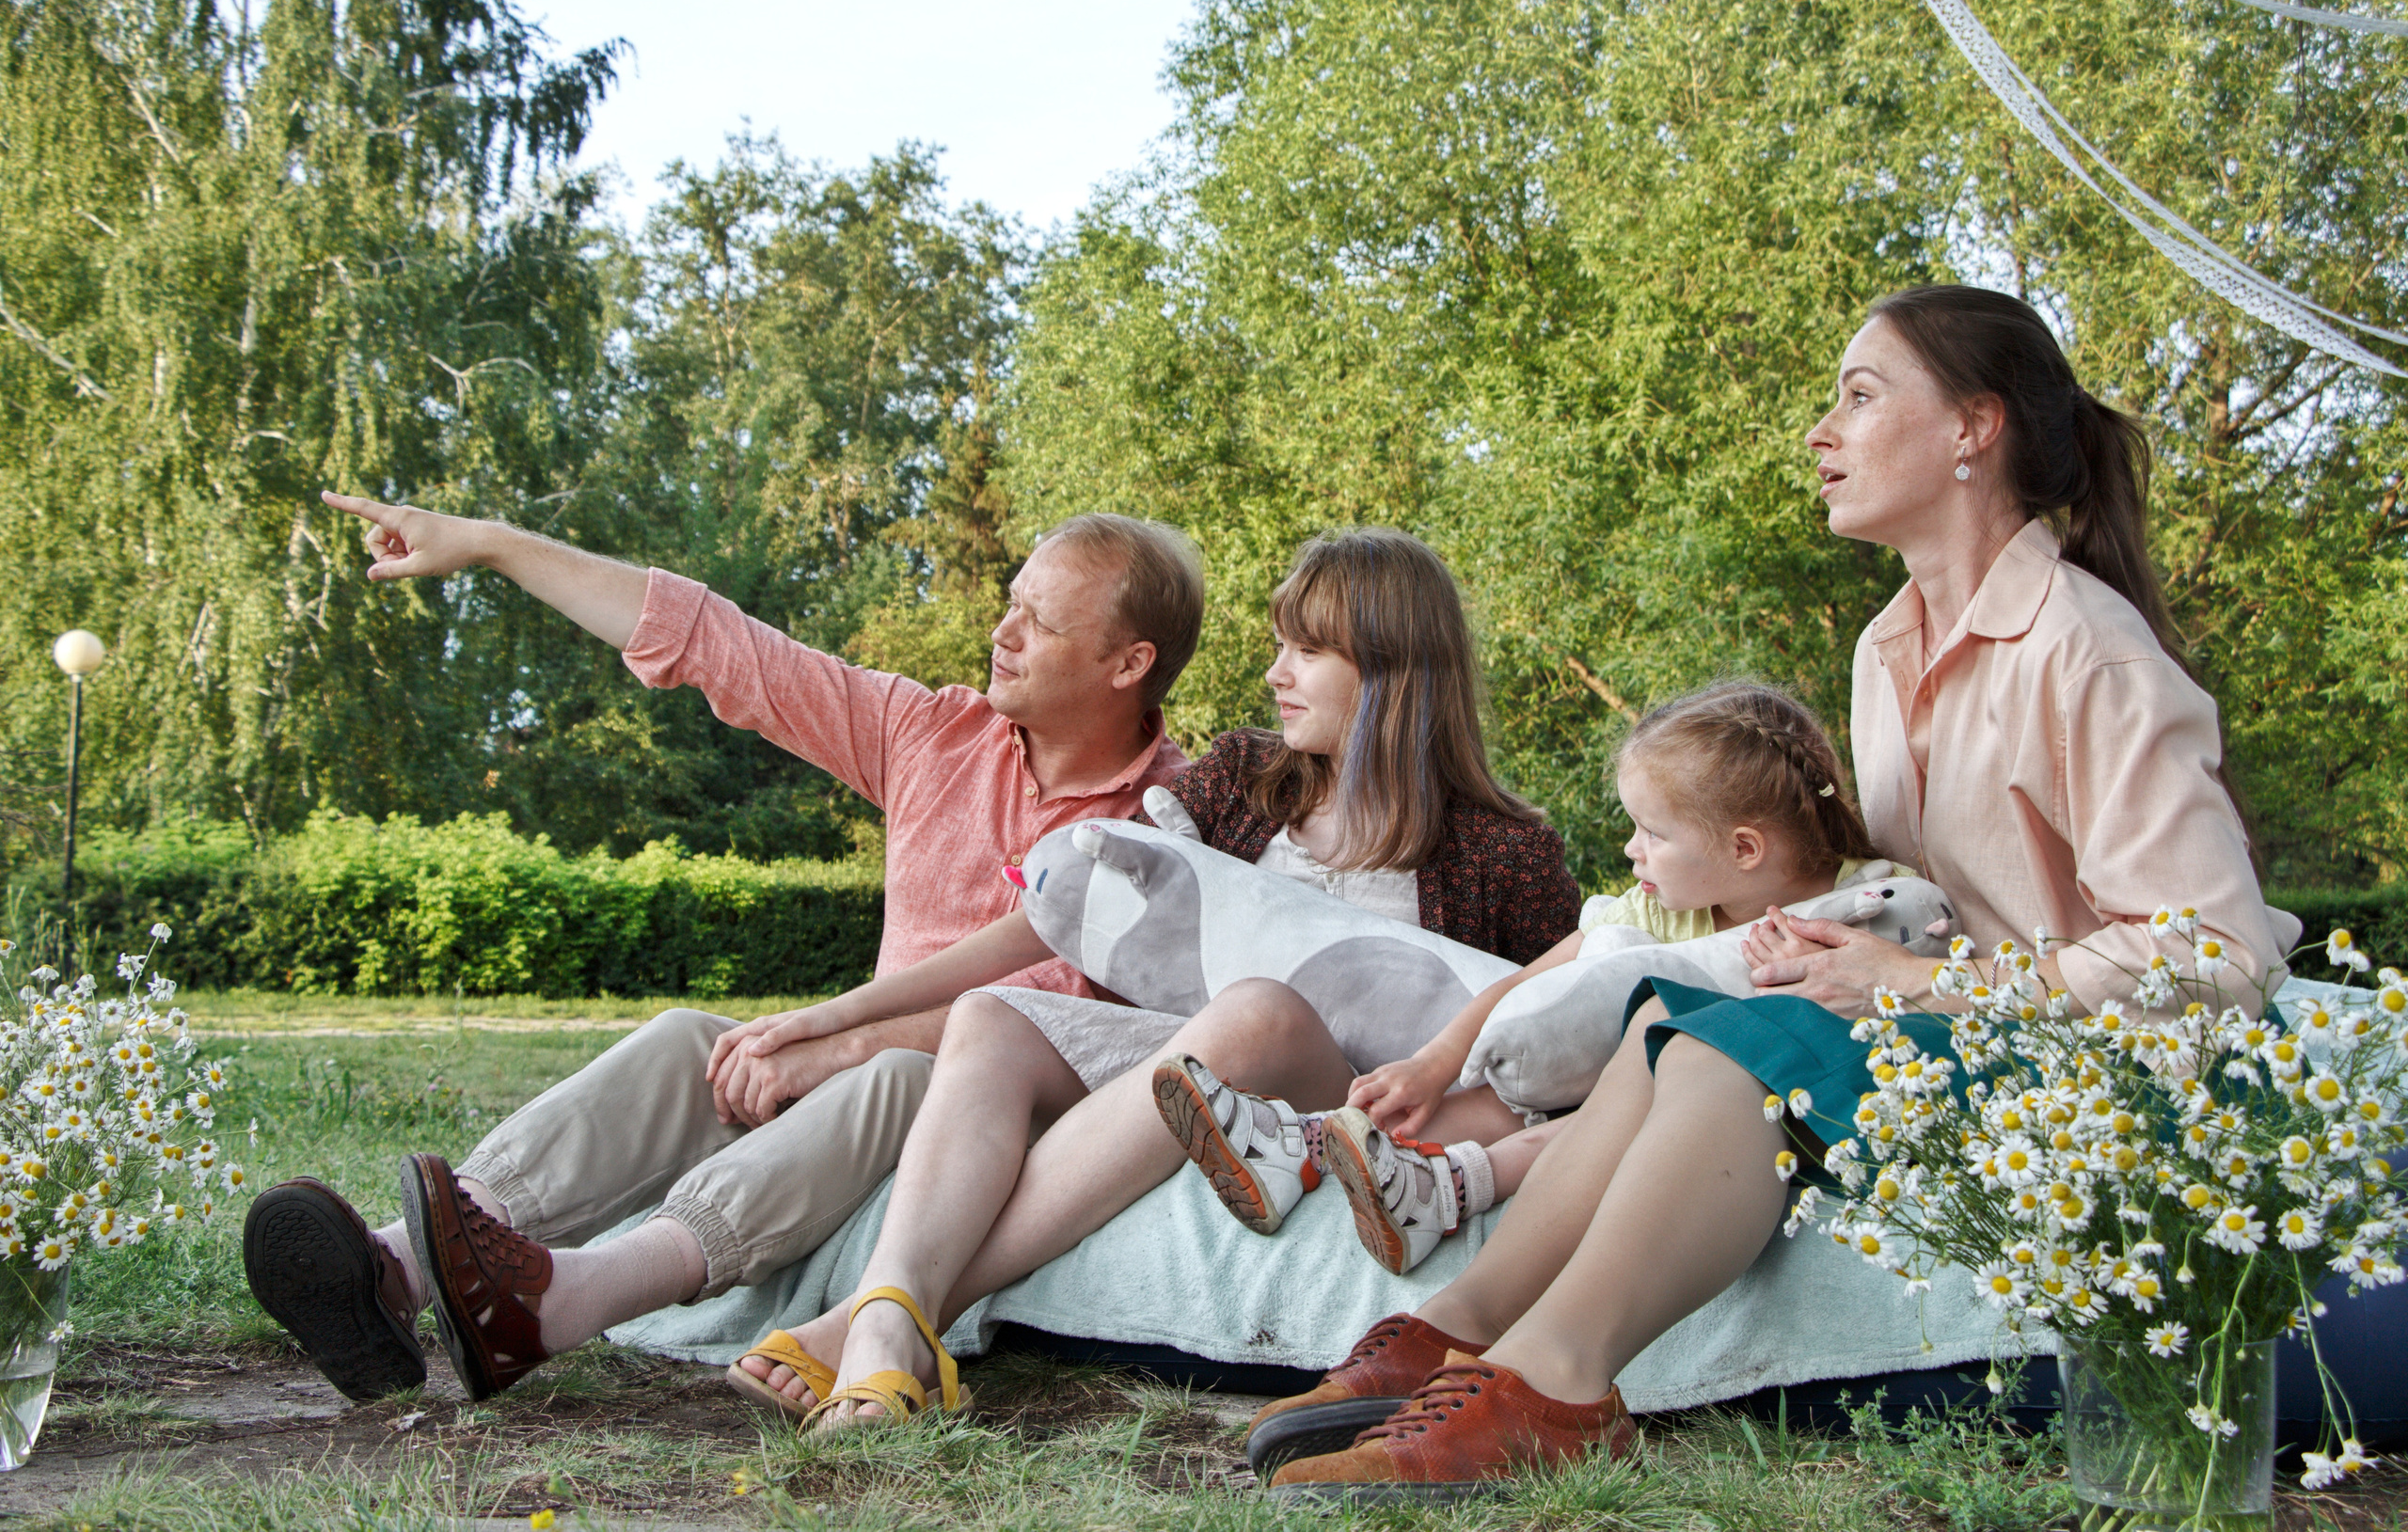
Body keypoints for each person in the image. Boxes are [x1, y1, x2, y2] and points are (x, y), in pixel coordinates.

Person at [1255, 284, 2295, 1501]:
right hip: (1989, 1034)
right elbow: (1927, 893)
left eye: (1860, 396)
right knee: (1663, 1019)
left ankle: (1564, 1380)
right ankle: (1459, 1327)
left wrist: (1914, 980)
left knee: (1734, 1054)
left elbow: (2218, 950)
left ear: (1973, 428)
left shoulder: (2087, 648)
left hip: (2141, 1069)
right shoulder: (1888, 647)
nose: (1821, 429)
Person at [241, 498, 1206, 1404]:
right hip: (856, 1079)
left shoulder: (1178, 818)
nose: (1002, 632)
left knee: (901, 1076)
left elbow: (1068, 1011)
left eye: (1038, 620)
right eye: (1009, 604)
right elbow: (717, 644)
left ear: (1128, 663)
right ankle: (403, 1262)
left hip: (998, 1124)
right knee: (689, 1041)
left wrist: (846, 1045)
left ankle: (564, 1298)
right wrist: (493, 542)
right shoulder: (933, 734)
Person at [729, 526, 1581, 1424]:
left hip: (1353, 1100)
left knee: (1254, 1011)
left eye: (1307, 650)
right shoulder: (1242, 779)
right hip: (1190, 1067)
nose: (1275, 674)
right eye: (1277, 645)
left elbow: (1556, 1038)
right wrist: (840, 1013)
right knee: (991, 1015)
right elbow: (1059, 918)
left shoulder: (1507, 853)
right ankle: (889, 1316)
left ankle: (887, 1319)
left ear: (1394, 668)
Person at [1177, 680, 1917, 1275]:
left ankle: (1368, 1166)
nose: (1631, 850)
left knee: (1561, 1105)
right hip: (1578, 1098)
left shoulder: (1862, 911)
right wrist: (1435, 1065)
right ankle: (1305, 1151)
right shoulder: (1663, 907)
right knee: (1484, 1095)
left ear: (1745, 847)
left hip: (1701, 1125)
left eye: (1653, 834)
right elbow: (1531, 981)